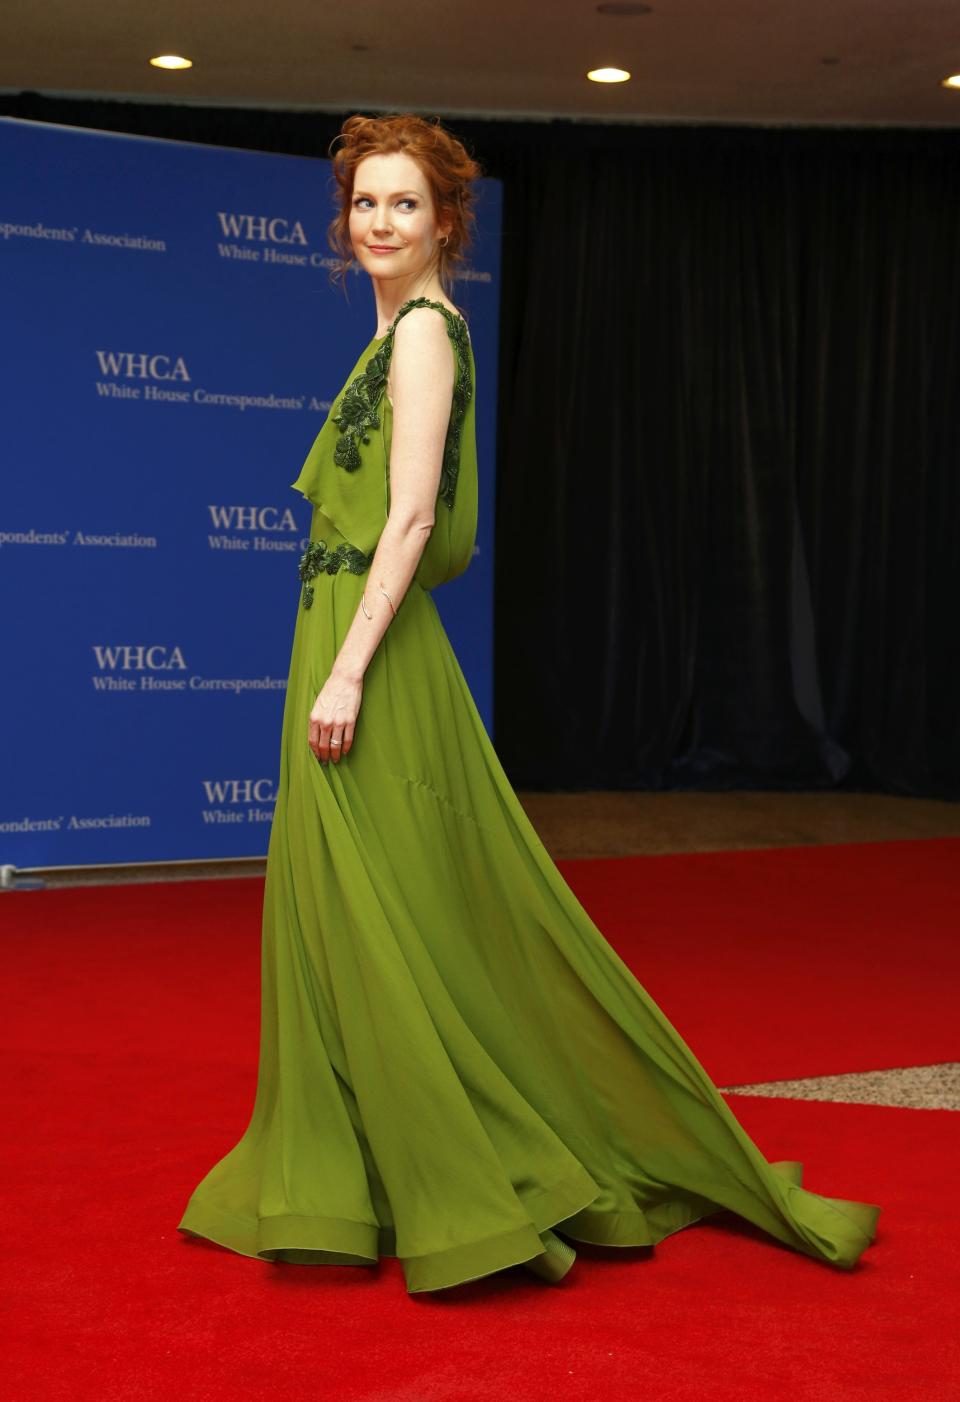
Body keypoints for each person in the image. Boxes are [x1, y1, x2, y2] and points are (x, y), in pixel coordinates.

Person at [177, 112, 881, 1294]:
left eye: (404, 203)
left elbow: (408, 518)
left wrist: (350, 666)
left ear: (445, 220)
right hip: (342, 633)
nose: (382, 221)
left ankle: (466, 1172)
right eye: (365, 203)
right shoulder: (399, 329)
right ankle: (381, 1171)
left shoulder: (426, 338)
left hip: (372, 648)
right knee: (358, 911)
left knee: (393, 911)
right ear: (345, 224)